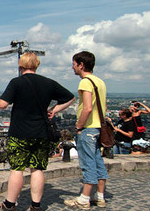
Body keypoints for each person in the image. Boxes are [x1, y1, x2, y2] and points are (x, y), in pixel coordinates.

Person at [0, 52, 74, 211]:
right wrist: (54, 110)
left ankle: (9, 205)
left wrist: (0, 100)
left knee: (17, 169)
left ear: (20, 66)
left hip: (19, 132)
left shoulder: (17, 82)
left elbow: (2, 105)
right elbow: (70, 97)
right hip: (41, 133)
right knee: (37, 169)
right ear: (36, 65)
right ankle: (35, 206)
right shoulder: (48, 83)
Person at [64, 51, 108, 209]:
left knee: (88, 164)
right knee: (98, 162)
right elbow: (104, 107)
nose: (72, 67)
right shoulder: (100, 82)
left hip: (88, 128)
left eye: (74, 64)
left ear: (81, 65)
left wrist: (79, 126)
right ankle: (100, 196)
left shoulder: (85, 82)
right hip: (98, 128)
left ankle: (84, 198)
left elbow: (87, 108)